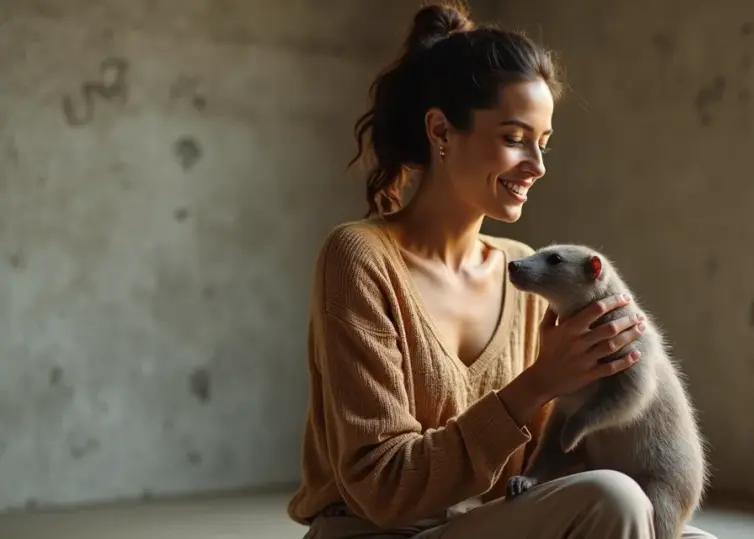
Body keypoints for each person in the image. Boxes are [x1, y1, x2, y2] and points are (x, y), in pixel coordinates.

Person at [285, 2, 718, 538]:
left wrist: (592, 383)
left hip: (476, 525)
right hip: (372, 531)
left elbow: (526, 476)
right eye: (515, 138)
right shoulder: (359, 257)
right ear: (441, 132)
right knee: (614, 500)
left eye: (543, 142)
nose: (537, 166)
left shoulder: (520, 268)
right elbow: (384, 491)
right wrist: (541, 383)